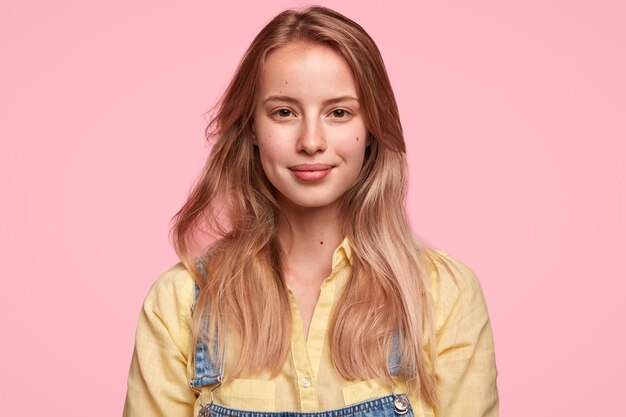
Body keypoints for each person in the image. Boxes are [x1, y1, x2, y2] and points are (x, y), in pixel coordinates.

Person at [123, 6, 499, 417]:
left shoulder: (445, 296)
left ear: (371, 128)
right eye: (284, 112)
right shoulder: (179, 303)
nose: (311, 141)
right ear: (252, 127)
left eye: (339, 112)